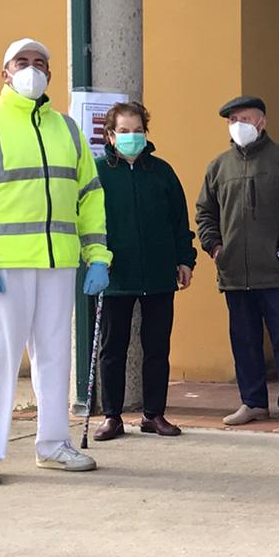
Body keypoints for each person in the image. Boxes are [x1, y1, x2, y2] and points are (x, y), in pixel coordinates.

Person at [0, 38, 111, 485]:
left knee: (56, 357)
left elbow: (89, 198)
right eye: (23, 62)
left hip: (59, 263)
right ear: (5, 72)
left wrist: (97, 255)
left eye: (40, 63)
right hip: (3, 264)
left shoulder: (67, 130)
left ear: (50, 76)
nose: (32, 70)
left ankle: (54, 445)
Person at [195, 96, 279, 431]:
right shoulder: (218, 167)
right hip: (236, 273)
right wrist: (215, 247)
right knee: (244, 340)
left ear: (262, 122)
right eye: (232, 119)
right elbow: (205, 212)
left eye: (245, 119)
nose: (238, 125)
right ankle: (252, 402)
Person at [92, 101, 197, 440]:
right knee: (113, 349)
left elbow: (179, 221)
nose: (131, 137)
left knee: (156, 347)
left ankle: (154, 414)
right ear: (110, 136)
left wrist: (185, 260)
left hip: (157, 274)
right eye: (124, 131)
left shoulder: (162, 172)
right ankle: (112, 416)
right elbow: (88, 221)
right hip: (116, 275)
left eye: (137, 130)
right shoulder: (98, 173)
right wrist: (94, 260)